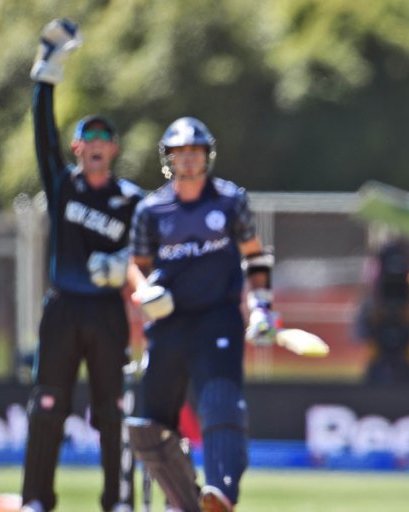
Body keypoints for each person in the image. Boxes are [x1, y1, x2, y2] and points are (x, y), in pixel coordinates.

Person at [125, 117, 277, 512]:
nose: (188, 161)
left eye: (195, 153)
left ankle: (221, 491)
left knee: (221, 401)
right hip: (168, 320)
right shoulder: (151, 209)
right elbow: (136, 263)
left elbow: (256, 257)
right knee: (154, 422)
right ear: (169, 160)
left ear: (206, 157)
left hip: (218, 315)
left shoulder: (230, 201)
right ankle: (180, 498)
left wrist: (262, 305)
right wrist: (144, 291)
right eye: (180, 154)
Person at [22, 19, 144, 512]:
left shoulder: (132, 200)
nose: (95, 141)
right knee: (47, 407)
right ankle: (36, 500)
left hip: (107, 314)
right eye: (87, 135)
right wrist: (46, 72)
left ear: (113, 149)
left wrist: (125, 266)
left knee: (114, 414)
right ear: (78, 148)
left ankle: (116, 501)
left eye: (104, 136)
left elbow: (151, 251)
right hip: (63, 310)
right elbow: (41, 131)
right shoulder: (63, 185)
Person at [353, 240, 409, 384]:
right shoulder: (374, 282)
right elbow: (366, 309)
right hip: (380, 348)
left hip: (407, 347)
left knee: (408, 378)